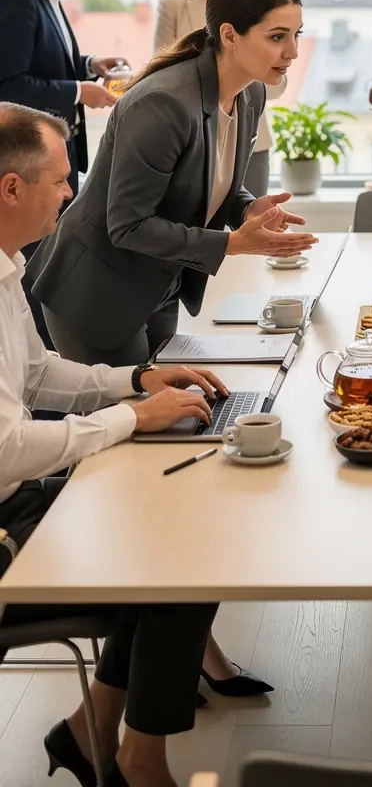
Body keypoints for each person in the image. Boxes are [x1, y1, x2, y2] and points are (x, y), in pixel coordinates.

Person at [30, 0, 317, 698]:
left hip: (156, 291)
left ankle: (185, 650)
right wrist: (233, 247)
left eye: (297, 36)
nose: (291, 52)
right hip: (96, 299)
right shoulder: (159, 103)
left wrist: (251, 213)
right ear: (229, 35)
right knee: (143, 492)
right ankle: (148, 672)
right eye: (276, 37)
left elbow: (213, 187)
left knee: (174, 481)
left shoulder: (246, 94)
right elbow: (127, 224)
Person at [0, 101, 228, 787]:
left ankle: (92, 730)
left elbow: (38, 372)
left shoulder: (7, 265)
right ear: (11, 189)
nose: (72, 194)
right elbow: (8, 449)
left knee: (183, 523)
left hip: (18, 502)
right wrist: (132, 419)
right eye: (61, 180)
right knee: (178, 561)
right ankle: (135, 756)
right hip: (6, 536)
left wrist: (136, 378)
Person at [0, 0, 128, 342]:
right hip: (31, 167)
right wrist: (79, 91)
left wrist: (89, 66)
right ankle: (39, 377)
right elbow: (9, 84)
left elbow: (46, 61)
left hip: (54, 164)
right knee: (36, 281)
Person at [154, 0, 278, 197]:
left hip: (249, 141)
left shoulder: (263, 10)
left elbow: (277, 84)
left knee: (252, 225)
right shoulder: (171, 7)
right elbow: (160, 76)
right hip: (190, 140)